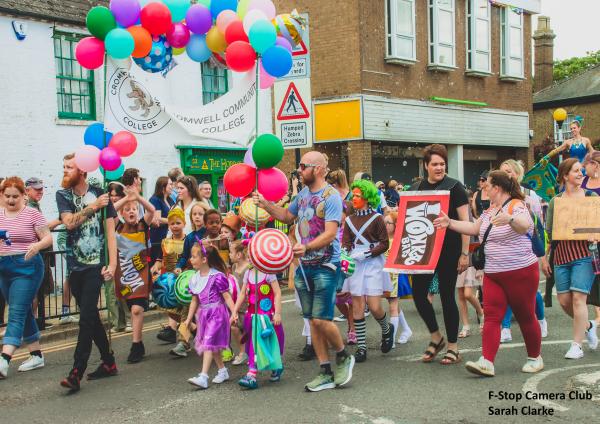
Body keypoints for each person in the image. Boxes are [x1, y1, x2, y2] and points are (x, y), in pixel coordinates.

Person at [254, 151, 355, 392]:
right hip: (304, 266)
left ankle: (343, 355)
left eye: (303, 166)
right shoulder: (302, 196)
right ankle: (325, 371)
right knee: (312, 321)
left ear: (318, 169)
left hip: (325, 265)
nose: (299, 169)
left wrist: (306, 246)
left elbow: (331, 232)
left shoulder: (331, 197)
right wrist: (265, 204)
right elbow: (287, 217)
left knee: (322, 319)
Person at [435, 170, 543, 377]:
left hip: (520, 272)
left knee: (526, 315)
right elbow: (474, 227)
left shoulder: (516, 205)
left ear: (497, 188)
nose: (483, 188)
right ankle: (487, 361)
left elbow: (525, 225)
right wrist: (450, 223)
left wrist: (510, 219)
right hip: (493, 273)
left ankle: (535, 357)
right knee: (492, 316)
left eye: (487, 185)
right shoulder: (490, 210)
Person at [56, 153, 118, 391]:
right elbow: (69, 222)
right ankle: (109, 362)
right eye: (63, 167)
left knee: (85, 320)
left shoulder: (99, 191)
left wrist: (112, 265)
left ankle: (76, 372)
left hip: (95, 267)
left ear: (82, 170)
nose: (64, 171)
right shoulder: (63, 195)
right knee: (91, 318)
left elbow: (110, 231)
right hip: (75, 267)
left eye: (69, 167)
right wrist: (93, 206)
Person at [410, 144, 470, 365]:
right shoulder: (416, 187)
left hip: (449, 249)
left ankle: (453, 347)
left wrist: (465, 253)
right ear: (426, 165)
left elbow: (466, 222)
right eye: (434, 164)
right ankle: (436, 336)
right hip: (423, 249)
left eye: (442, 164)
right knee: (418, 294)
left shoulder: (455, 187)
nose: (439, 168)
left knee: (447, 297)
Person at [544, 158, 598, 359]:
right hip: (562, 256)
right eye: (576, 171)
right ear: (565, 175)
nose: (580, 173)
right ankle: (588, 325)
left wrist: (596, 234)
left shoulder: (591, 197)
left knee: (578, 299)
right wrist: (544, 257)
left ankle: (576, 345)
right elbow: (549, 232)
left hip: (584, 255)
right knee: (565, 301)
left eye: (581, 170)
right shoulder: (555, 202)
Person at [0, 177, 53, 379]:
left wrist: (37, 246)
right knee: (22, 310)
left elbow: (47, 237)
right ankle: (36, 355)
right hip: (4, 267)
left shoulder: (32, 213)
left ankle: (4, 359)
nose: (11, 200)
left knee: (15, 311)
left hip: (28, 266)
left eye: (15, 196)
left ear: (24, 195)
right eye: (7, 196)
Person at [342, 179, 394, 362]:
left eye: (358, 195)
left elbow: (384, 243)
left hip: (372, 263)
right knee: (357, 304)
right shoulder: (348, 220)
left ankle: (387, 329)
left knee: (374, 306)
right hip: (356, 263)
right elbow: (346, 243)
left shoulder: (377, 218)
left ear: (367, 197)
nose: (354, 198)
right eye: (353, 195)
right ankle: (362, 348)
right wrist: (345, 254)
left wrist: (369, 253)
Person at [499, 159, 548, 342]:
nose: (506, 175)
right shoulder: (498, 197)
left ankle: (541, 320)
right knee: (507, 291)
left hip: (526, 250)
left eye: (509, 171)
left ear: (517, 174)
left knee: (530, 291)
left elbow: (538, 227)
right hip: (505, 250)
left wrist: (542, 255)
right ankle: (505, 328)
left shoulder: (530, 197)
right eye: (503, 172)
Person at [185, 241, 236, 389]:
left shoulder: (217, 276)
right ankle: (222, 371)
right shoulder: (195, 278)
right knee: (212, 347)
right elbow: (194, 300)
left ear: (204, 259)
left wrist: (234, 312)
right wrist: (189, 318)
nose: (191, 259)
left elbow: (226, 297)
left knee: (208, 343)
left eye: (194, 256)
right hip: (204, 315)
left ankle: (203, 377)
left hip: (217, 314)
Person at [113, 188, 156, 363]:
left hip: (141, 275)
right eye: (127, 209)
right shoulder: (118, 227)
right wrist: (126, 200)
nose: (131, 211)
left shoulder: (142, 225)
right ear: (122, 213)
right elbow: (110, 210)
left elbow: (152, 210)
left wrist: (137, 197)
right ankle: (139, 342)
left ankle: (136, 345)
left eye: (134, 209)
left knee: (137, 309)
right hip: (125, 276)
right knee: (132, 310)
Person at [234, 266, 284, 389]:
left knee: (268, 343)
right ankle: (252, 374)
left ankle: (275, 366)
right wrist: (234, 310)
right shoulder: (248, 273)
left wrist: (277, 313)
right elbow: (242, 293)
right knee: (253, 343)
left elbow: (277, 293)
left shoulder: (269, 273)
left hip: (266, 317)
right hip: (252, 316)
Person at [326, 169, 355, 342]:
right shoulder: (332, 227)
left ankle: (352, 328)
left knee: (350, 299)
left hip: (350, 267)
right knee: (337, 299)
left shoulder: (350, 227)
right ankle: (349, 322)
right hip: (334, 265)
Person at [384, 211, 412, 346]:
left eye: (388, 223)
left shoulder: (400, 240)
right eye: (384, 222)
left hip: (397, 276)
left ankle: (391, 340)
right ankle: (406, 329)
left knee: (392, 307)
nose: (385, 225)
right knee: (394, 305)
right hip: (386, 276)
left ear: (396, 225)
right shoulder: (382, 239)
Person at [107, 183, 130, 333]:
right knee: (110, 289)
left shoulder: (127, 209)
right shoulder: (107, 211)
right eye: (111, 195)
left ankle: (129, 320)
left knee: (124, 287)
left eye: (117, 195)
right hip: (110, 252)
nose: (114, 198)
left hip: (125, 252)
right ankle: (117, 323)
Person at [228, 240, 250, 365]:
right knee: (234, 328)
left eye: (231, 252)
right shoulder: (234, 267)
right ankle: (243, 352)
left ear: (239, 255)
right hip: (236, 305)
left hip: (248, 305)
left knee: (249, 330)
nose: (229, 255)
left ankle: (253, 353)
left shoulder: (249, 268)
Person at [149, 176, 175, 265]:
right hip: (158, 239)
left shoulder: (170, 200)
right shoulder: (155, 200)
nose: (172, 186)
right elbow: (158, 219)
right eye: (170, 184)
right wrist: (174, 221)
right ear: (163, 186)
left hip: (169, 237)